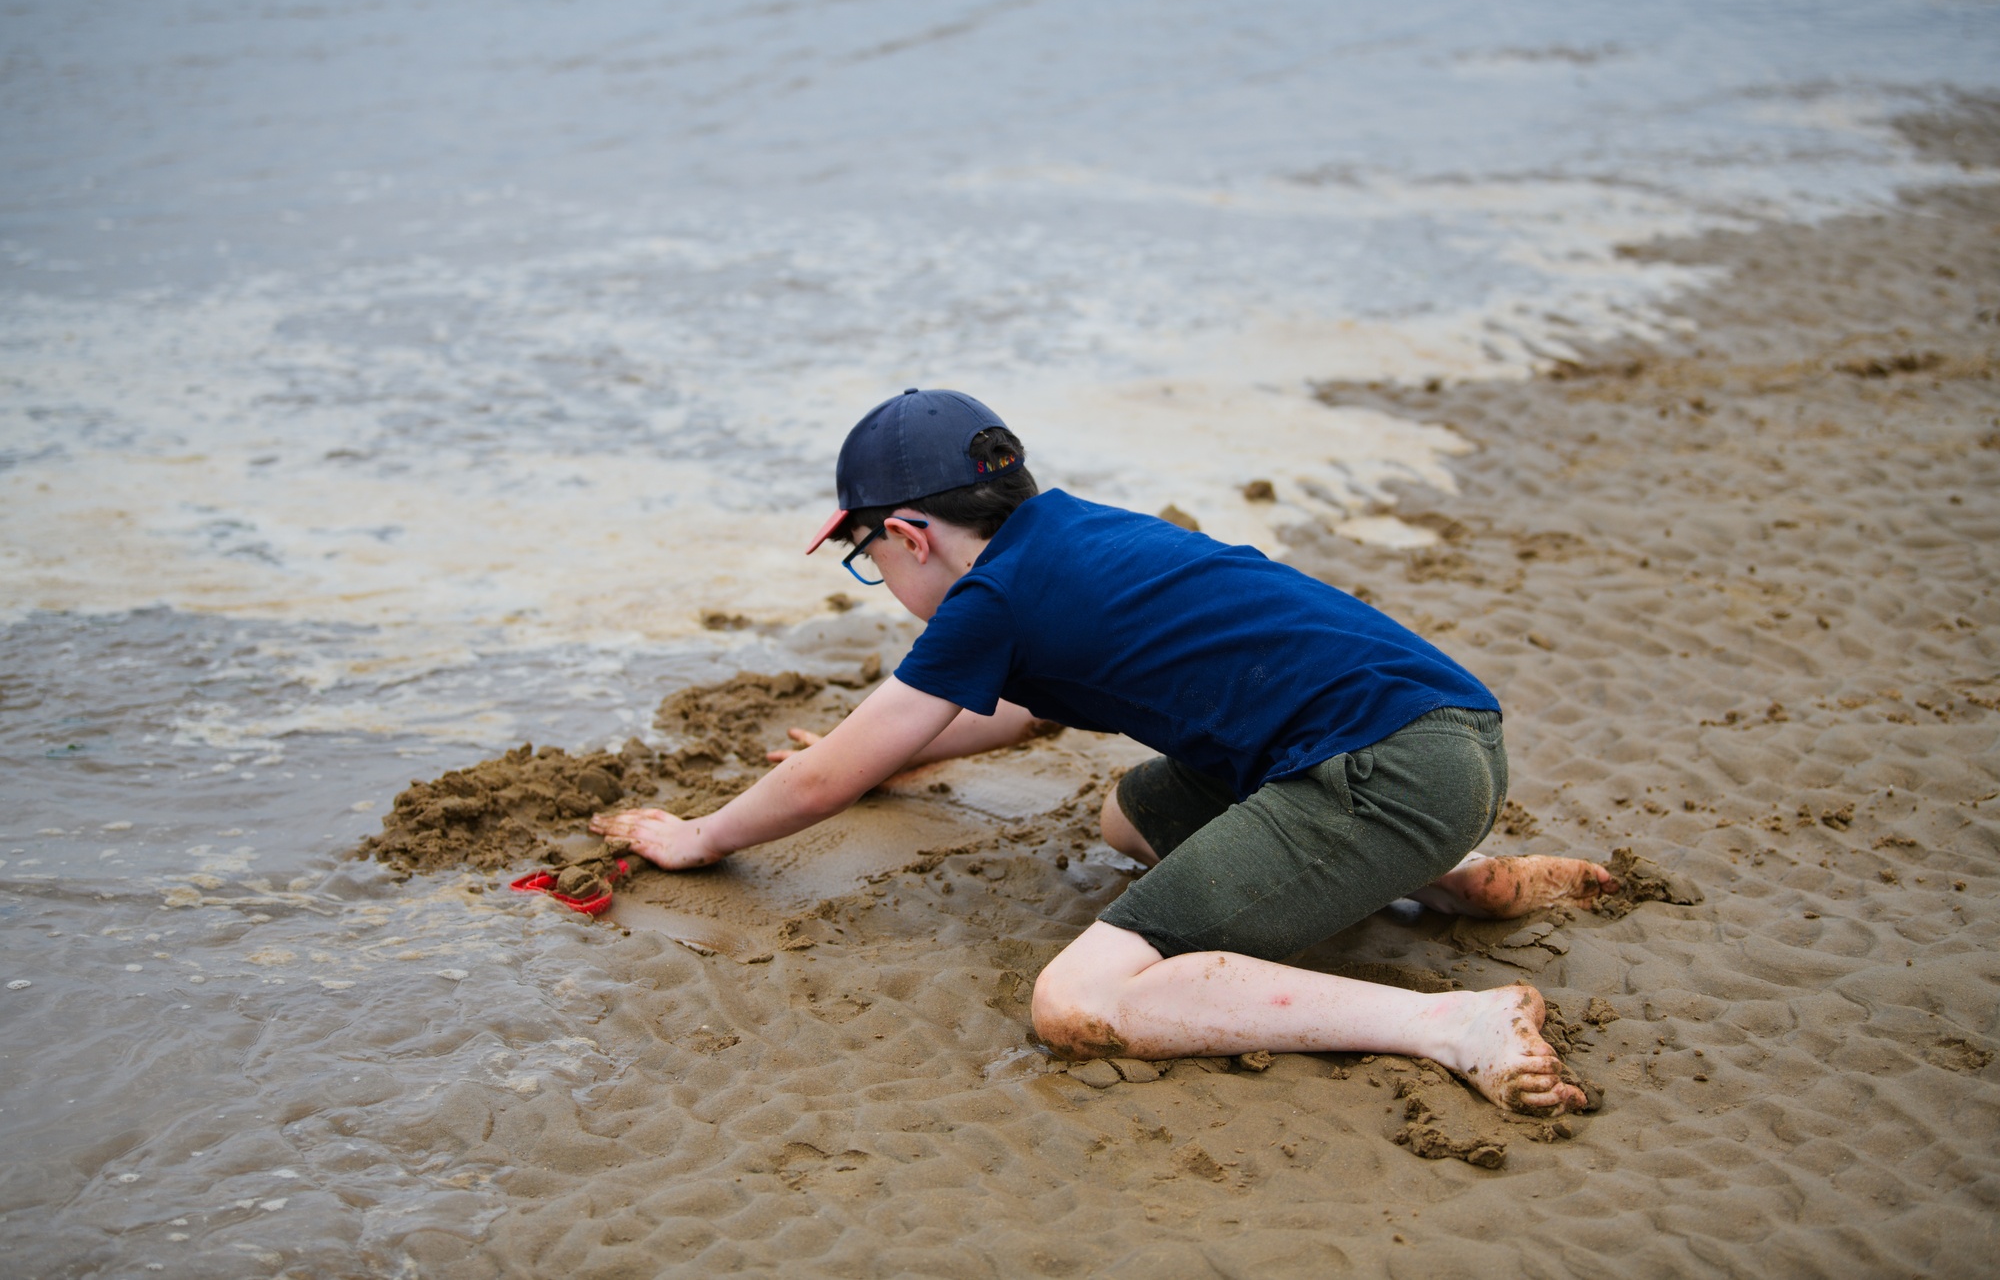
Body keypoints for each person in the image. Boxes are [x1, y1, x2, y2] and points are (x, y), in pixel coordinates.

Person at [592, 389, 1617, 1114]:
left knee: (1077, 1000)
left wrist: (701, 835)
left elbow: (826, 777)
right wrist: (894, 757)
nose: (880, 577)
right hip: (1445, 735)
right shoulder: (1065, 536)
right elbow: (1020, 712)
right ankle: (1449, 878)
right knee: (1128, 815)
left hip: (1388, 774)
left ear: (907, 534)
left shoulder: (987, 597)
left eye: (866, 558)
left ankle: (1454, 1022)